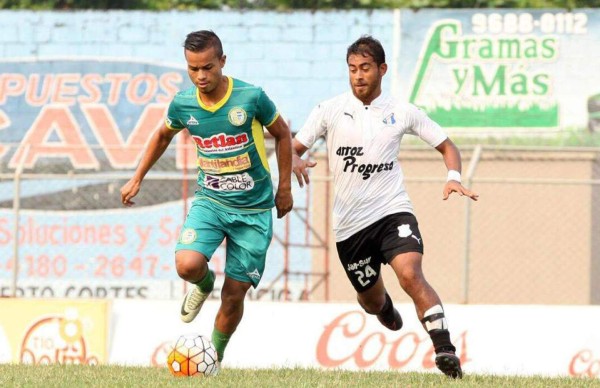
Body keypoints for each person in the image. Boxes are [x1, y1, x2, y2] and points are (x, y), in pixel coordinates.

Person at [291, 35, 478, 379]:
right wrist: (294, 160)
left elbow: (447, 145)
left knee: (410, 274)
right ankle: (385, 308)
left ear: (382, 69)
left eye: (365, 68)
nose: (358, 75)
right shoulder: (328, 110)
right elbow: (293, 147)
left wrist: (453, 176)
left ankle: (444, 348)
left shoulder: (402, 112)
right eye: (352, 69)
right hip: (350, 227)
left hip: (393, 213)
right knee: (371, 301)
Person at [120, 30, 293, 371]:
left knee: (234, 295)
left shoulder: (251, 97)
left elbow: (283, 134)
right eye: (193, 69)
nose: (201, 76)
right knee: (187, 264)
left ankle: (212, 359)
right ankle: (203, 284)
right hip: (210, 202)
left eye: (208, 68)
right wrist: (137, 176)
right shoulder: (183, 104)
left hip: (254, 212)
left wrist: (283, 187)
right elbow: (161, 135)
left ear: (222, 62)